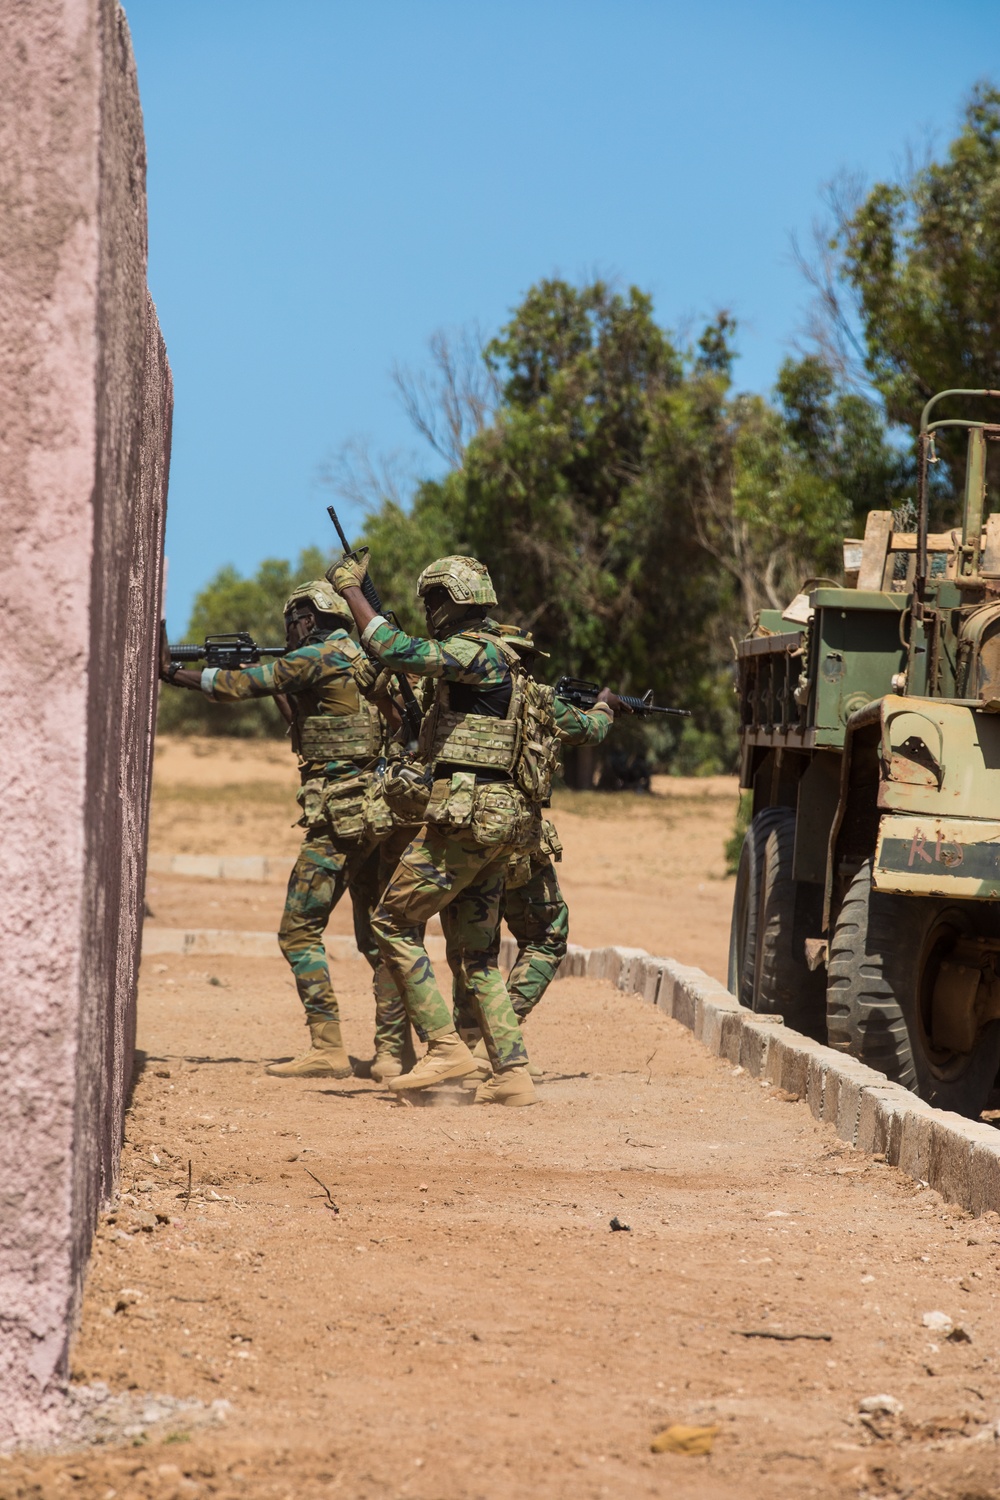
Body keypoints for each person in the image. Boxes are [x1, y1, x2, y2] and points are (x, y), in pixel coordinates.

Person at [328, 551, 618, 1107]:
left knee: (390, 918)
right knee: (478, 956)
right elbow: (583, 728)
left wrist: (352, 592)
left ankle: (443, 1046)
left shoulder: (475, 652)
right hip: (503, 828)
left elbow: (395, 648)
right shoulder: (511, 663)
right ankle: (510, 1072)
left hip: (467, 819)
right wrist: (606, 710)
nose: (429, 610)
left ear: (452, 603)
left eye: (433, 600)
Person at [159, 579, 396, 1078]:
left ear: (309, 618)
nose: (288, 630)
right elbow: (306, 727)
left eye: (293, 621)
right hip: (375, 815)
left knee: (298, 931)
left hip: (339, 816)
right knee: (378, 939)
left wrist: (175, 672)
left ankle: (328, 1046)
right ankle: (395, 1052)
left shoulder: (318, 656)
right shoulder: (356, 656)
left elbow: (236, 688)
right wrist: (276, 687)